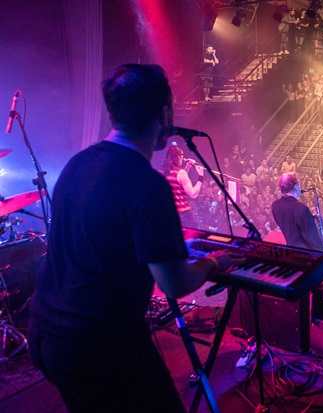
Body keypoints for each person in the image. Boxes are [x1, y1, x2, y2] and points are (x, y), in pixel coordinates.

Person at [28, 64, 242, 413]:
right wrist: (212, 262)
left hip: (47, 334)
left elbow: (102, 243)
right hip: (99, 344)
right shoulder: (147, 185)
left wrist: (174, 249)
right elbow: (175, 283)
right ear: (165, 114)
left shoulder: (77, 164)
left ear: (113, 113)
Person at [271, 172, 323, 250]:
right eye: (299, 184)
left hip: (291, 250)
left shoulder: (275, 205)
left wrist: (309, 218)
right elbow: (312, 239)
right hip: (305, 254)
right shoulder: (301, 209)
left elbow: (290, 224)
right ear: (296, 186)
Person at [161, 145, 204, 228]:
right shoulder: (180, 173)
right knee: (192, 238)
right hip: (184, 215)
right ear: (177, 157)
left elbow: (179, 181)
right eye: (182, 155)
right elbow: (193, 194)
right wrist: (201, 176)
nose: (183, 158)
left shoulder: (163, 172)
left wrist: (188, 166)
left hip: (169, 214)